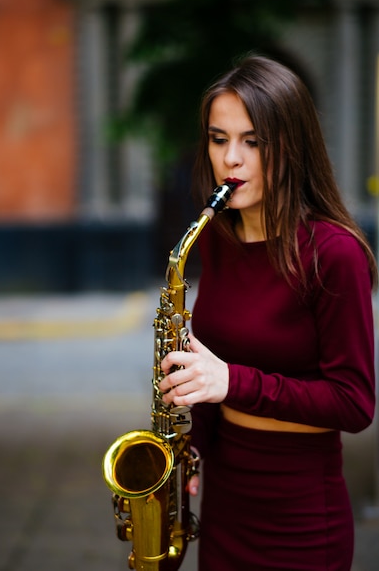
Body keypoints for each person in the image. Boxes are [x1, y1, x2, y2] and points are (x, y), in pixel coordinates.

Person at [159, 54, 377, 571]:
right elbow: (214, 364)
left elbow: (354, 403)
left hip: (300, 514)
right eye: (218, 139)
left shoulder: (335, 253)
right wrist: (191, 452)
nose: (231, 159)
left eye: (253, 142)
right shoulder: (215, 241)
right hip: (226, 504)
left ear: (292, 146)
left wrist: (232, 382)